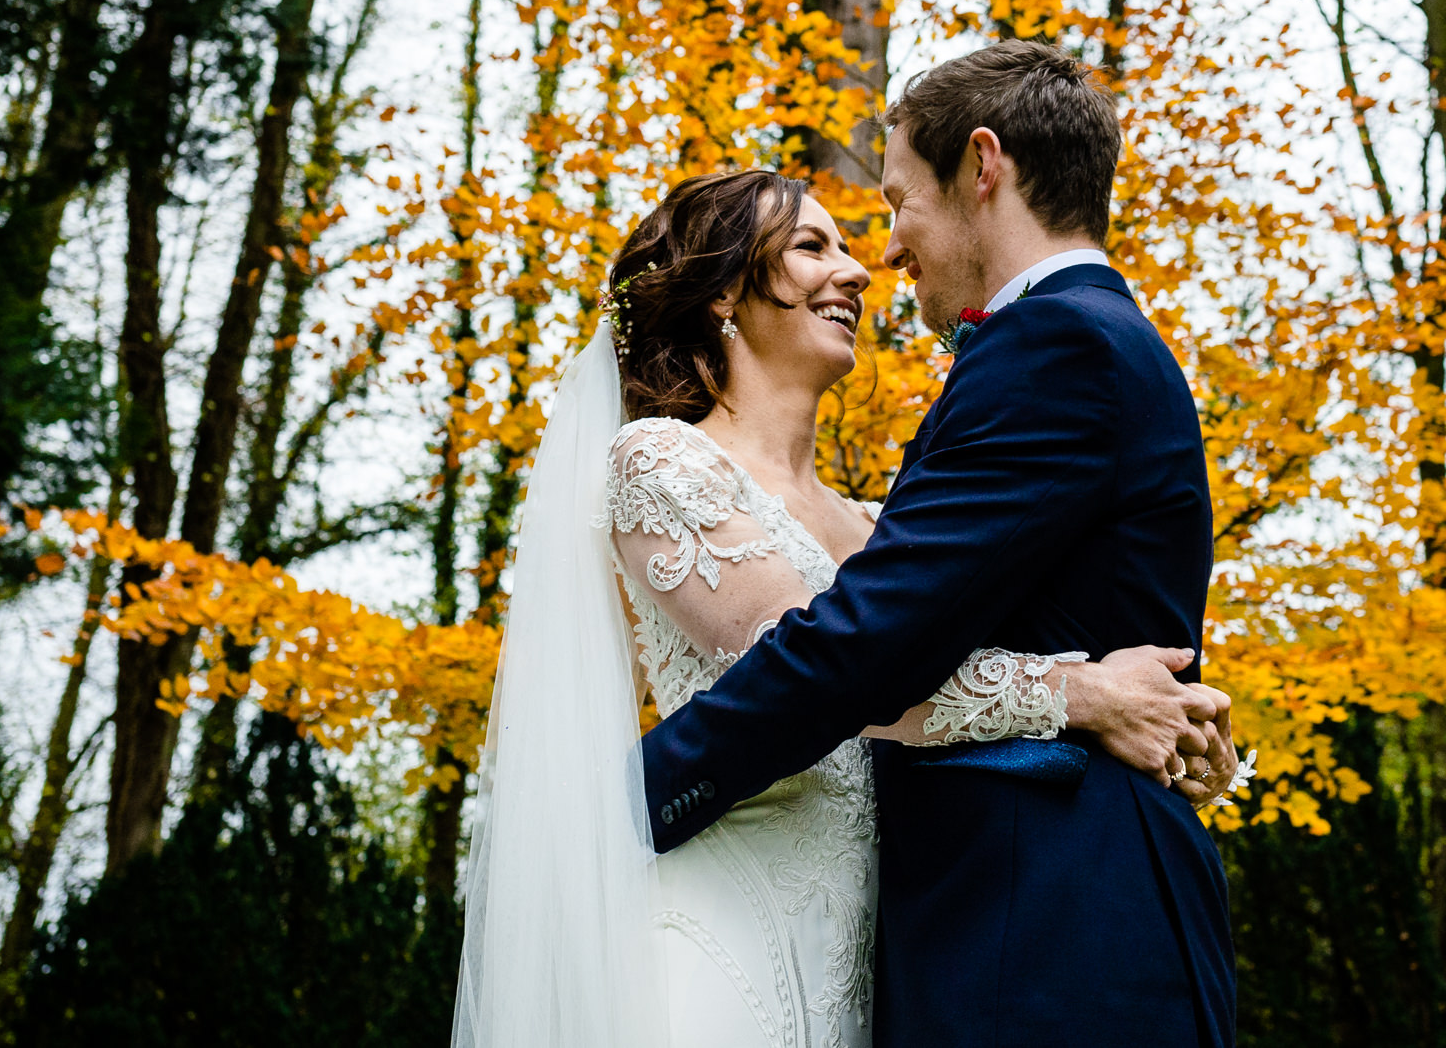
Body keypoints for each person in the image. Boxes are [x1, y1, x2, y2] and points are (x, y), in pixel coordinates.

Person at [453, 103, 1240, 1044]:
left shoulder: (875, 519)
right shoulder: (661, 462)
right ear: (721, 293)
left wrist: (1146, 702)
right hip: (732, 928)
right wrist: (1082, 692)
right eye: (812, 246)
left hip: (883, 947)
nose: (860, 267)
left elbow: (900, 644)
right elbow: (833, 667)